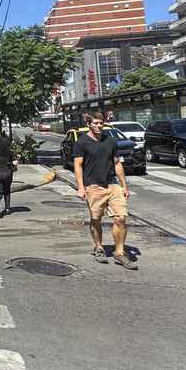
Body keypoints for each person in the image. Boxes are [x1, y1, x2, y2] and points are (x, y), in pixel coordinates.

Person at [73, 112, 137, 270]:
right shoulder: (82, 142)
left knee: (121, 217)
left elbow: (117, 163)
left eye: (101, 123)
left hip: (112, 184)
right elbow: (78, 165)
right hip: (93, 186)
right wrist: (81, 187)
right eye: (95, 123)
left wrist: (124, 185)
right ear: (88, 124)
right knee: (96, 219)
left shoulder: (110, 141)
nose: (99, 126)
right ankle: (99, 248)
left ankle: (119, 253)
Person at [0, 136, 18, 218]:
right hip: (7, 173)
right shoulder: (9, 152)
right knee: (7, 190)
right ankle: (7, 208)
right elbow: (14, 162)